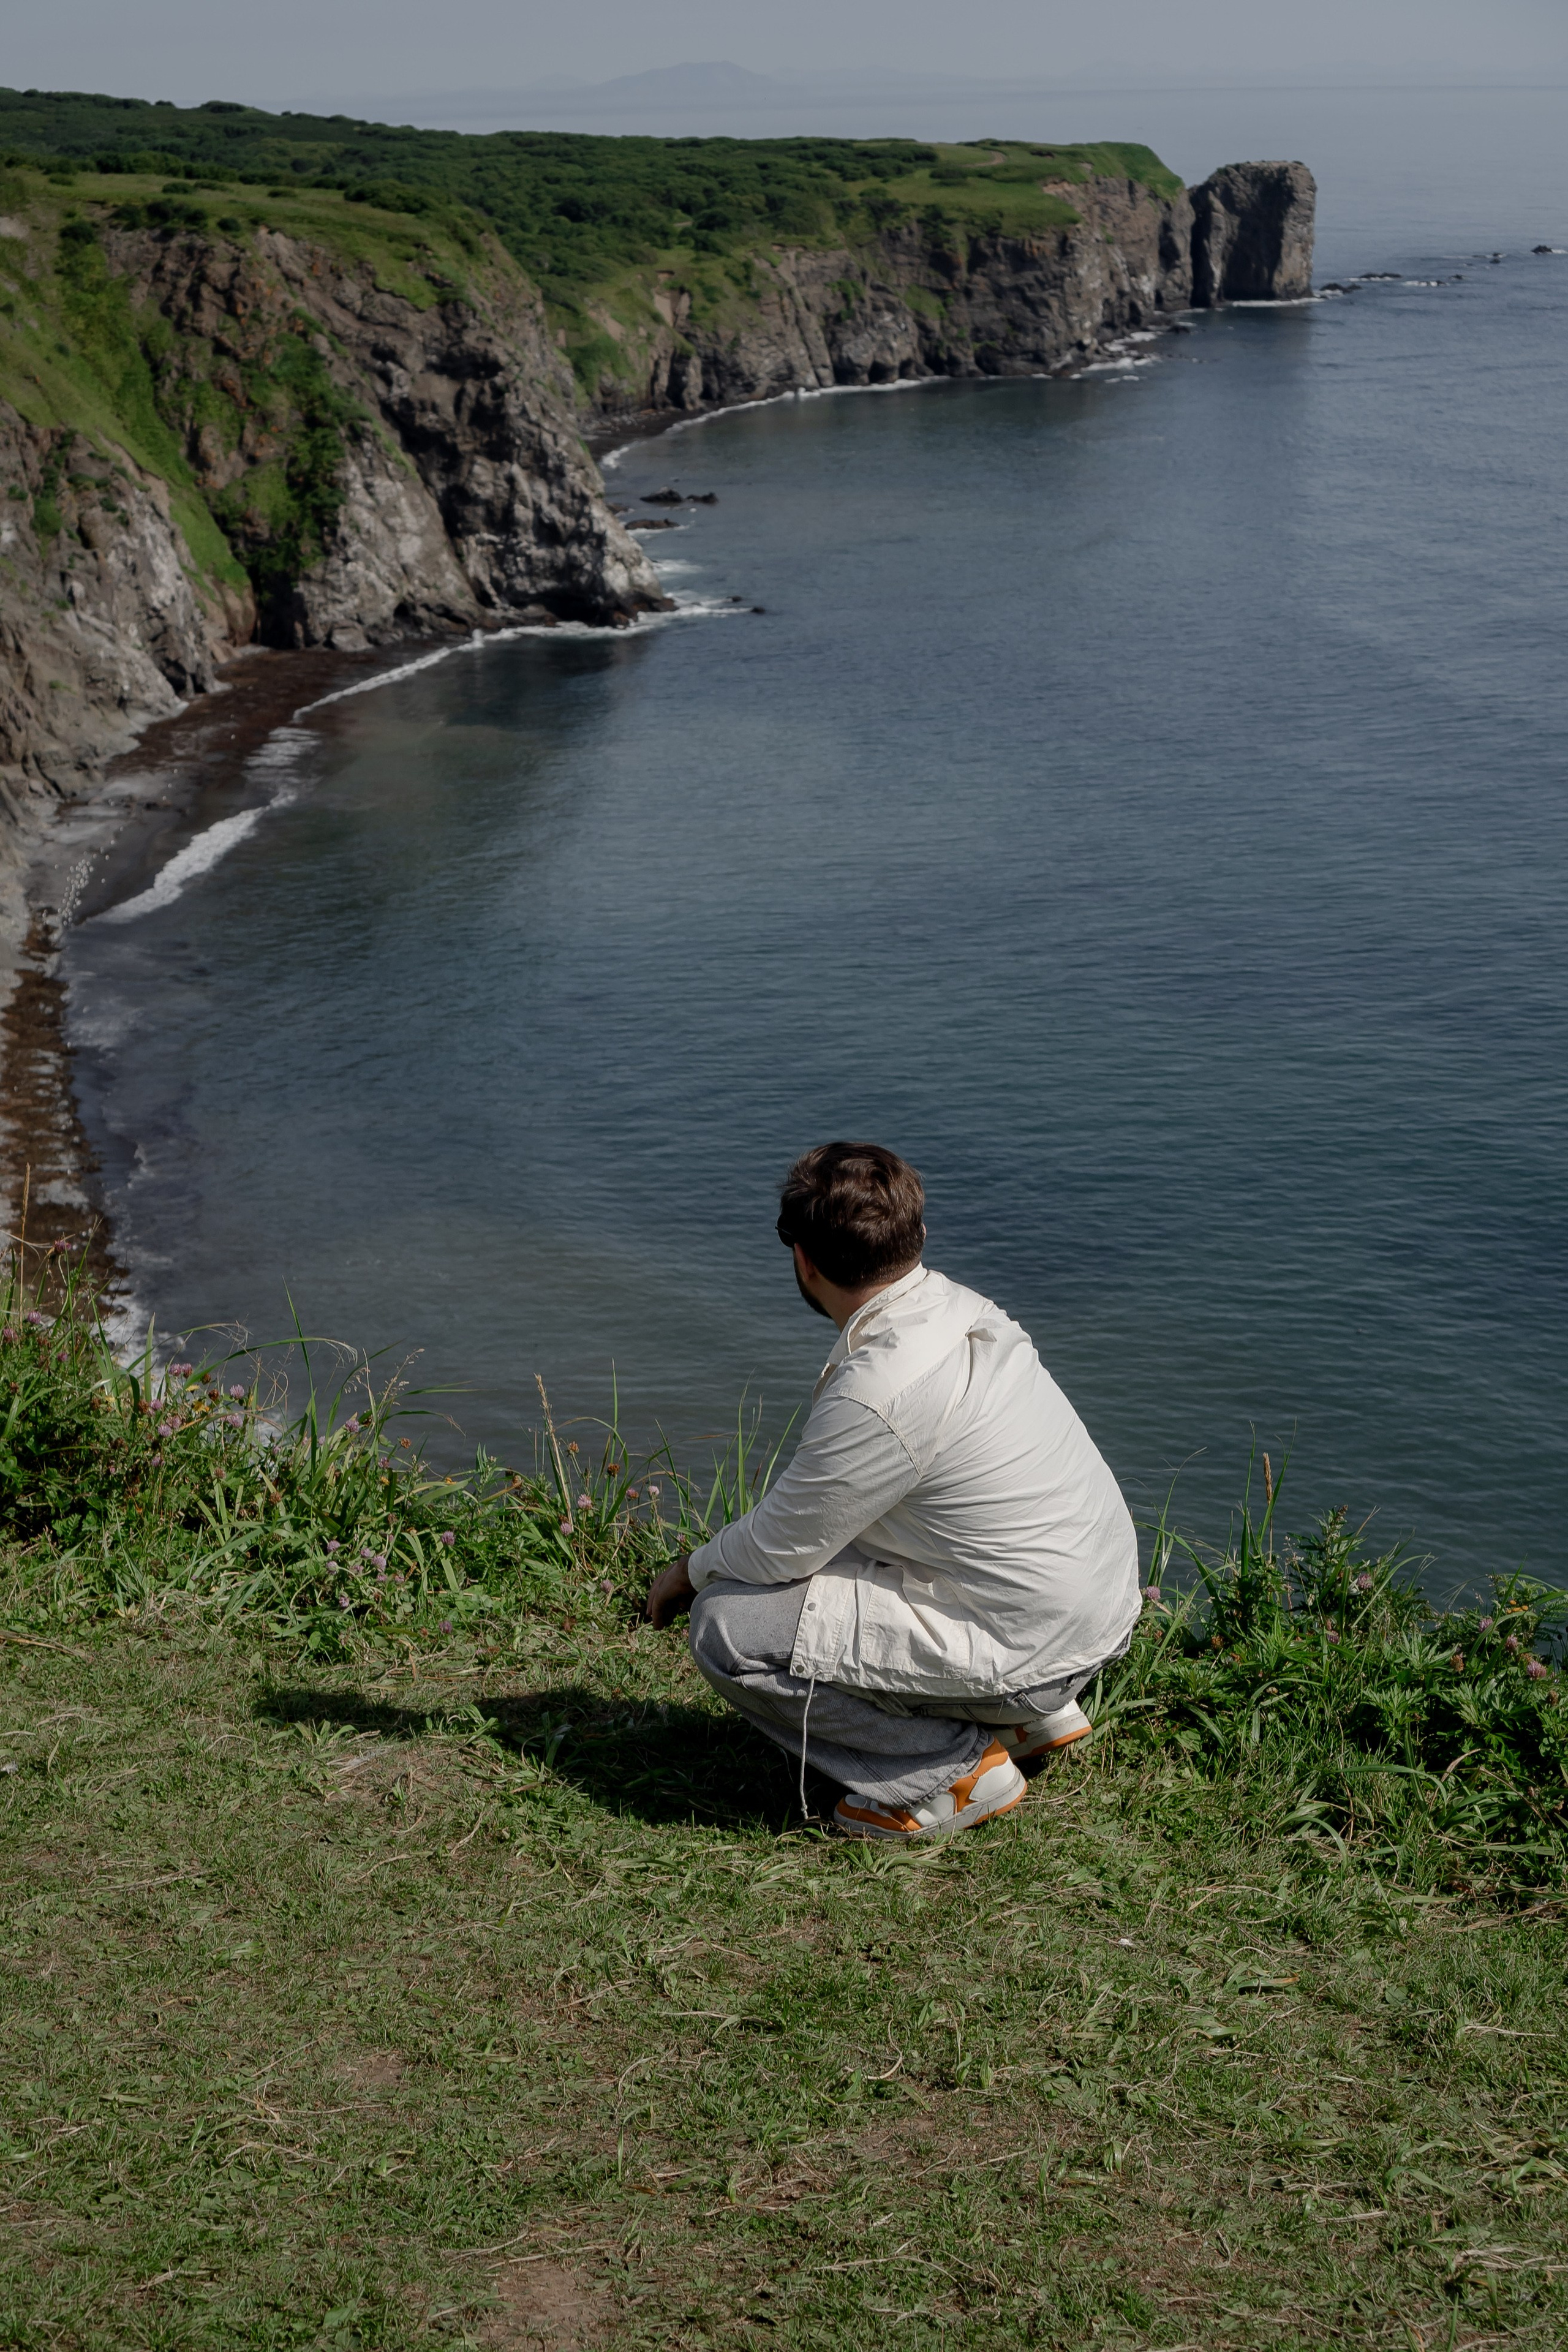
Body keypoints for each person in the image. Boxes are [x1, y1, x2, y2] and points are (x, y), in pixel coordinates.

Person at [644, 1141, 1141, 1842]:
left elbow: (781, 1547)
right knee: (832, 1567)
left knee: (727, 1625)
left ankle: (948, 1776)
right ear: (918, 1235)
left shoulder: (880, 1388)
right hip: (1090, 1614)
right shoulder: (965, 1311)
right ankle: (1025, 1721)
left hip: (1034, 1651)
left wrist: (688, 1571)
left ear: (803, 1261)